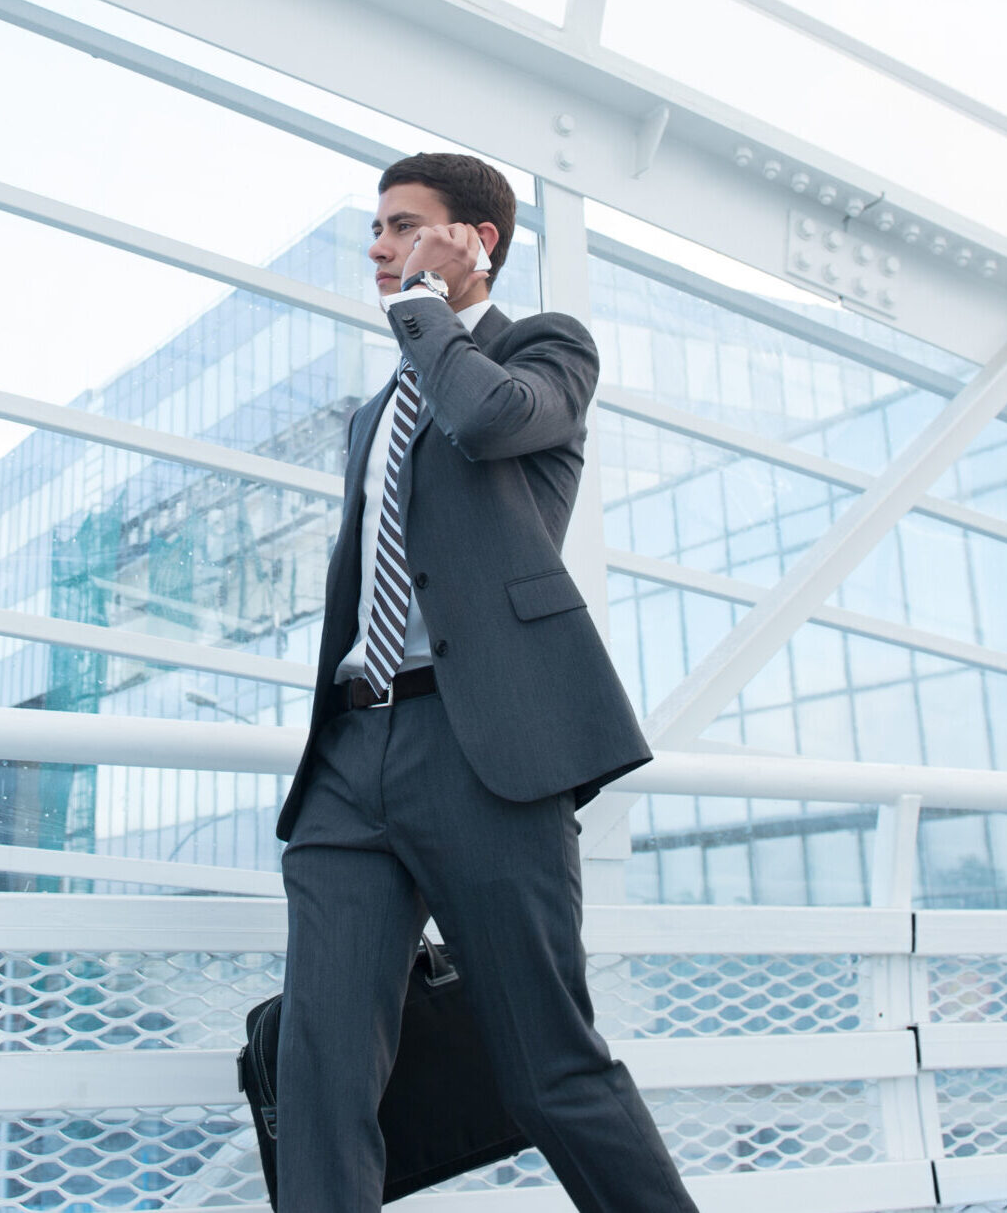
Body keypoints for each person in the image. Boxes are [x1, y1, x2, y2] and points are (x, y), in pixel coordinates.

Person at [271, 152, 697, 1212]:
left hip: (486, 752)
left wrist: (426, 309)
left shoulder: (541, 351)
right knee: (318, 1072)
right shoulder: (372, 413)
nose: (376, 247)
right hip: (349, 753)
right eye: (374, 229)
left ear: (472, 240)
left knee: (547, 1066)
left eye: (400, 225)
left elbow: (489, 420)